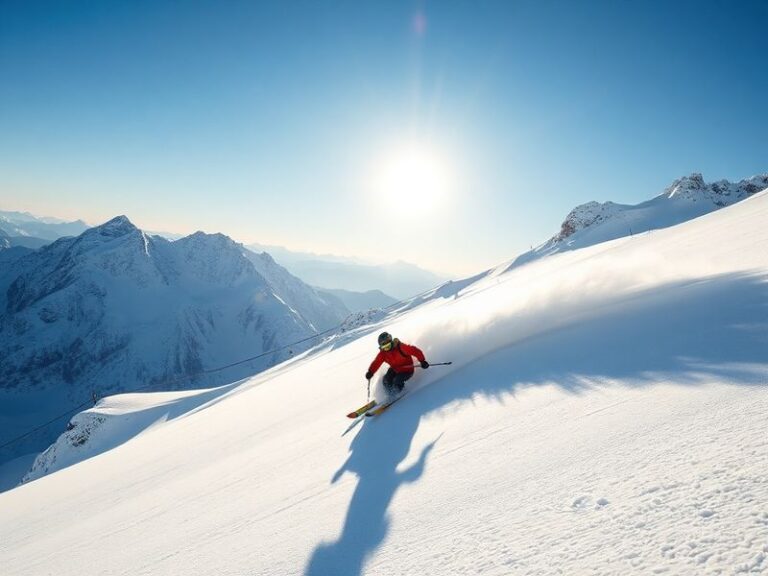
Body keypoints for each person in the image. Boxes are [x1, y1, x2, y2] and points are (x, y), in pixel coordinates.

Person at [365, 331, 429, 399]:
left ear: (391, 342)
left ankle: (399, 393)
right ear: (381, 347)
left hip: (407, 370)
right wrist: (371, 372)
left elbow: (415, 351)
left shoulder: (401, 347)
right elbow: (377, 362)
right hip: (395, 369)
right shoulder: (383, 354)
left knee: (397, 380)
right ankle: (390, 395)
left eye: (388, 346)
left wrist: (422, 361)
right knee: (385, 380)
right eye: (385, 347)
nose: (387, 349)